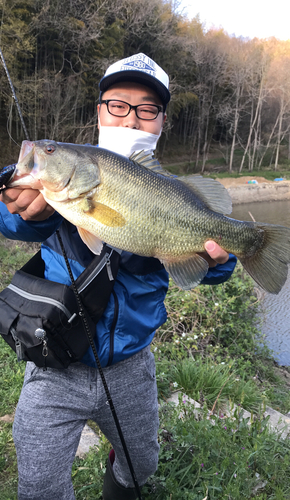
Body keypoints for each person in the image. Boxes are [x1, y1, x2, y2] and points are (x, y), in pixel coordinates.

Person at [0, 53, 237, 500]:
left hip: (133, 363)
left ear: (162, 121)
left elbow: (206, 272)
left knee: (140, 463)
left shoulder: (171, 189)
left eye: (147, 109)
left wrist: (220, 259)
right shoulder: (60, 188)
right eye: (118, 105)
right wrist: (17, 192)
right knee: (39, 483)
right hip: (56, 360)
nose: (130, 119)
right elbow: (16, 220)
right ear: (99, 112)